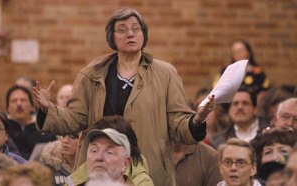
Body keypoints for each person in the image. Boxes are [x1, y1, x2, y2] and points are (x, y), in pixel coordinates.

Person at [33, 7, 215, 186]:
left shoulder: (166, 73)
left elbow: (178, 122)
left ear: (143, 34)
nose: (130, 34)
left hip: (148, 168)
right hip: (99, 167)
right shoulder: (92, 73)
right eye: (122, 29)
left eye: (136, 28)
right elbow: (76, 118)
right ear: (111, 37)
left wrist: (197, 120)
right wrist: (47, 109)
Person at [67, 115, 153, 186]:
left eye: (109, 152)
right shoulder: (74, 181)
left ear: (125, 163)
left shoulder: (142, 182)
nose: (99, 157)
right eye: (94, 150)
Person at [6, 85, 56, 160]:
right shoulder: (3, 131)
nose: (19, 104)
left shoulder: (44, 130)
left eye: (23, 100)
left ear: (32, 107)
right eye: (14, 101)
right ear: (7, 108)